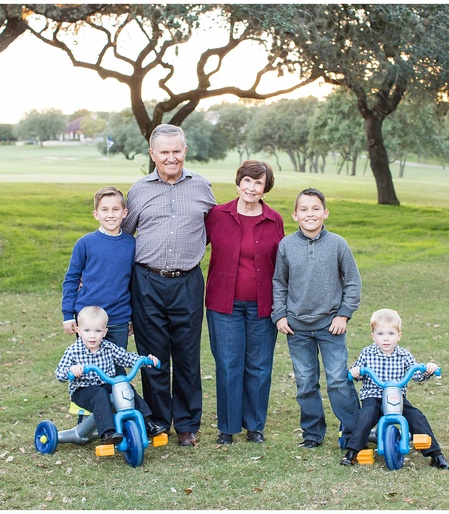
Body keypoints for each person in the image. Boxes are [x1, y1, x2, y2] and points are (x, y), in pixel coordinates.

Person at [121, 124, 216, 447]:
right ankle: (159, 421)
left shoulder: (203, 187)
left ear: (185, 151)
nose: (171, 157)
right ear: (153, 154)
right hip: (147, 281)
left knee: (188, 355)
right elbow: (125, 237)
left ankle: (187, 424)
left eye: (177, 151)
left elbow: (216, 232)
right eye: (164, 152)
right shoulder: (138, 191)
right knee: (153, 356)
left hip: (188, 281)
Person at [271, 187, 363, 449]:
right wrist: (279, 315)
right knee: (305, 382)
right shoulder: (286, 246)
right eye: (303, 209)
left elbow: (353, 283)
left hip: (331, 326)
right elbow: (279, 282)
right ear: (294, 215)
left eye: (315, 209)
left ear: (325, 213)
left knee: (337, 379)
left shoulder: (337, 244)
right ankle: (312, 432)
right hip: (297, 328)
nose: (309, 214)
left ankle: (353, 430)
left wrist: (344, 314)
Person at [205, 160, 284, 445]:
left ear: (265, 189)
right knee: (228, 364)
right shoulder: (217, 215)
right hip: (223, 304)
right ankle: (227, 428)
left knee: (260, 366)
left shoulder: (274, 219)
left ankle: (255, 426)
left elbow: (281, 264)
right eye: (247, 181)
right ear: (238, 182)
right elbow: (193, 245)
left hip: (263, 305)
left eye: (258, 183)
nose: (251, 187)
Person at [345, 308, 449, 469]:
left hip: (397, 399)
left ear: (399, 335)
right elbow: (358, 372)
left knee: (416, 416)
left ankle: (436, 455)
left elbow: (416, 374)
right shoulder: (367, 353)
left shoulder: (404, 355)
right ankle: (352, 452)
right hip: (373, 396)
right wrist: (355, 372)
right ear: (373, 336)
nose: (386, 339)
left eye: (391, 334)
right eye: (381, 334)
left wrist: (427, 370)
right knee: (366, 416)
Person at [54, 306, 167, 444]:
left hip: (107, 385)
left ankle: (148, 423)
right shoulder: (73, 351)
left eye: (97, 331)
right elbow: (60, 373)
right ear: (78, 330)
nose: (92, 335)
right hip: (82, 390)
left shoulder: (108, 347)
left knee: (127, 388)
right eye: (87, 330)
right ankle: (108, 433)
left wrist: (145, 360)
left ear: (105, 332)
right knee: (100, 394)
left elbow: (126, 358)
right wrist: (71, 370)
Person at [61, 186, 133, 375]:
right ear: (95, 214)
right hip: (88, 321)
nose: (110, 215)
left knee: (117, 372)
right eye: (104, 209)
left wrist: (132, 318)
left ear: (124, 213)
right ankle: (91, 403)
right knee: (88, 372)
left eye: (115, 209)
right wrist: (68, 315)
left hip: (118, 319)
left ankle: (118, 405)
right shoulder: (85, 243)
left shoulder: (131, 244)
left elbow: (133, 283)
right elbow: (71, 279)